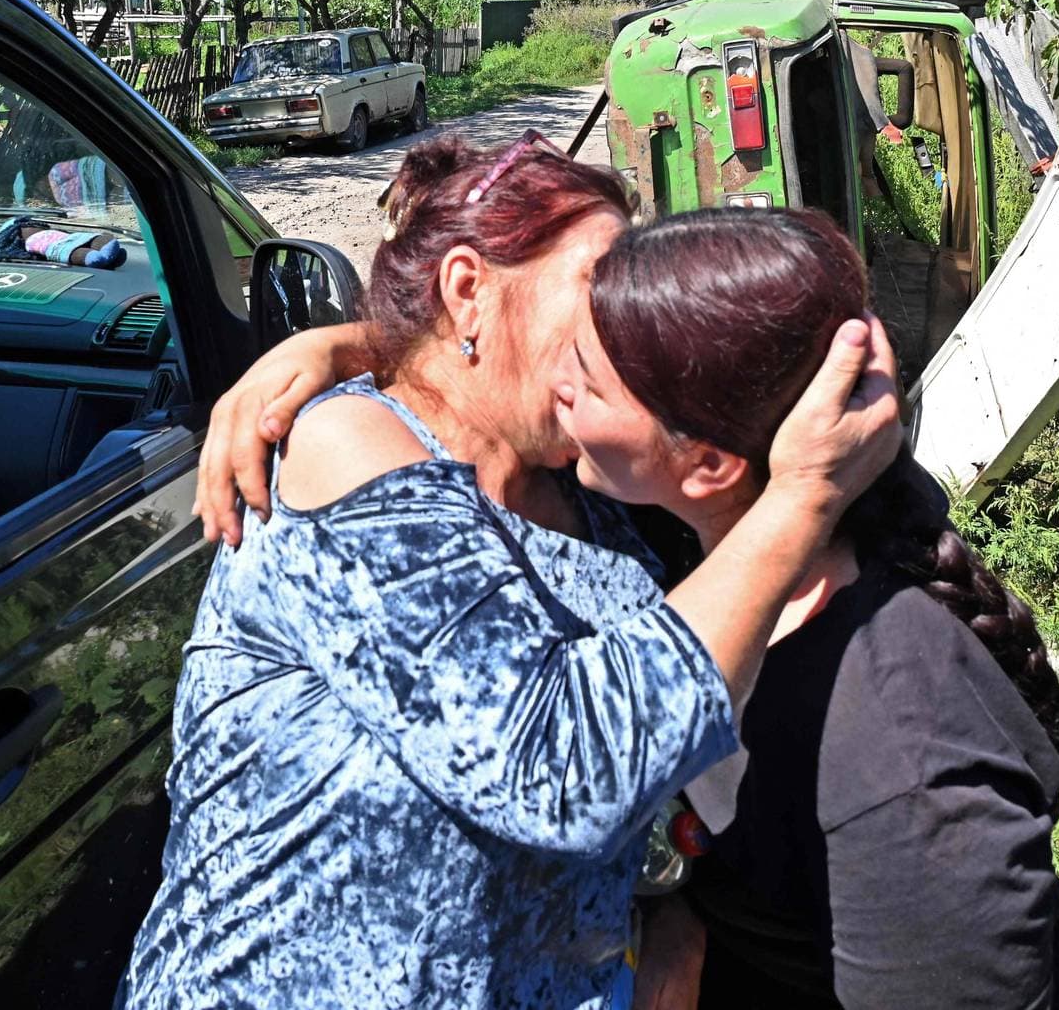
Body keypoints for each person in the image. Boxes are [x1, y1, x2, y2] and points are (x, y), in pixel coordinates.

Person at [200, 203, 1059, 1010]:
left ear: (707, 463)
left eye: (588, 374)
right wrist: (348, 347)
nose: (557, 382)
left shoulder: (897, 754)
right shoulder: (682, 535)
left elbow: (571, 766)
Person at [120, 134, 903, 1010]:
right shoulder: (341, 453)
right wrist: (802, 497)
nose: (628, 325)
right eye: (599, 290)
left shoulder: (592, 494)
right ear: (467, 291)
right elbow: (559, 763)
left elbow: (674, 725)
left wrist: (675, 937)